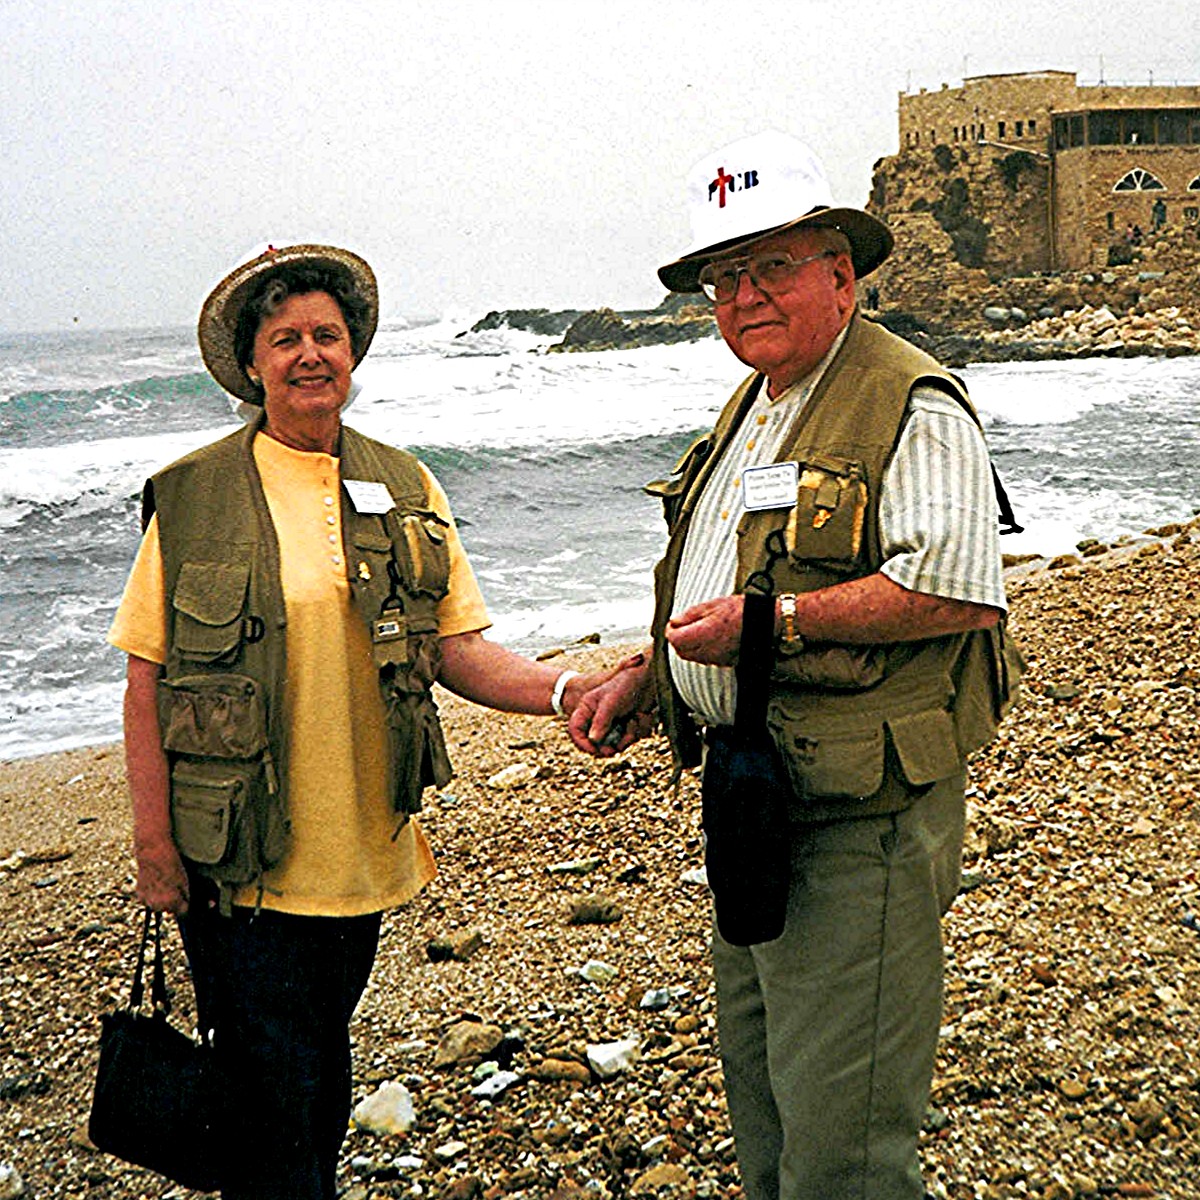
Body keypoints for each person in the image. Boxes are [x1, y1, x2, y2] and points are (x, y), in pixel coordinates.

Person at [108, 243, 620, 1200]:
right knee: (274, 1095)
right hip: (241, 858)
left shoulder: (406, 483)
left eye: (327, 336)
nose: (310, 354)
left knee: (319, 1075)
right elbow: (146, 678)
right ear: (253, 364)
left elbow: (456, 649)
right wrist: (152, 844)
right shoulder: (192, 496)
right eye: (286, 338)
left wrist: (565, 690)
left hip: (361, 851)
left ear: (353, 353)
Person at [570, 131, 1022, 1200]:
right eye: (726, 276)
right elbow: (731, 575)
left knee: (847, 1145)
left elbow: (955, 587)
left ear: (842, 274)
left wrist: (766, 633)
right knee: (771, 1104)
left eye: (774, 266)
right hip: (763, 800)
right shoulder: (761, 400)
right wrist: (654, 671)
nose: (745, 295)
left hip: (857, 818)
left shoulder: (909, 400)